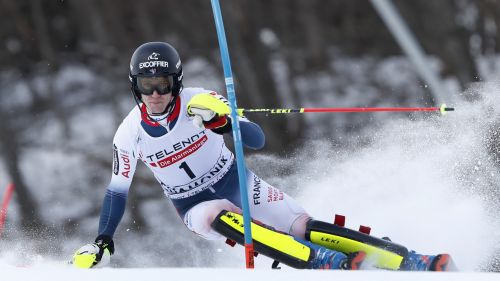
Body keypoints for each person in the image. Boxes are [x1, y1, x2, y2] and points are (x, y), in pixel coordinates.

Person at [72, 42, 453, 271]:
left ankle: (409, 260)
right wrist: (103, 239)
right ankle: (324, 264)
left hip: (236, 180)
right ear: (134, 87)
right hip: (192, 204)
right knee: (218, 216)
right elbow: (116, 192)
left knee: (302, 224)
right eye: (146, 86)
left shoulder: (200, 100)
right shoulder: (129, 133)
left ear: (177, 82)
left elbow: (255, 138)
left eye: (163, 84)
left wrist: (223, 123)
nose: (155, 94)